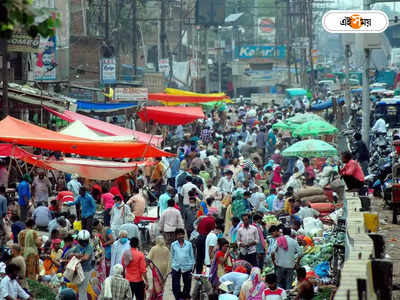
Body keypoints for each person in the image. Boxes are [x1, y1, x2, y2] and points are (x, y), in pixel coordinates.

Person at [67, 230, 94, 300]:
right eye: (82, 241)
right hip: (78, 271)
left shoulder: (89, 247)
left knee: (82, 291)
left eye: (85, 241)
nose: (84, 243)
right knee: (78, 289)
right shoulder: (78, 246)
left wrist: (76, 260)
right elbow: (70, 254)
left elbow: (86, 257)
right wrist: (76, 255)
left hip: (86, 271)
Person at [170, 228, 195, 300]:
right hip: (176, 267)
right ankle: (178, 298)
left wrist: (192, 267)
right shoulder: (173, 245)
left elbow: (191, 256)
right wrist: (172, 266)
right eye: (179, 235)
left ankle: (185, 297)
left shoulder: (189, 244)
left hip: (187, 267)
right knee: (175, 285)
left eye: (182, 234)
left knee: (187, 284)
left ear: (184, 235)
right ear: (176, 236)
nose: (181, 236)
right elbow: (172, 256)